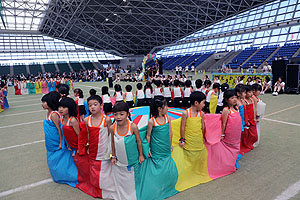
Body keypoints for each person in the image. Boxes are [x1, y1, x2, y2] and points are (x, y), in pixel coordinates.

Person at [141, 97, 178, 200]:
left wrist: (170, 144)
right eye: (165, 106)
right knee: (158, 167)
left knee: (167, 166)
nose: (167, 107)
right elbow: (148, 135)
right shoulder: (152, 121)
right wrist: (147, 148)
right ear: (159, 109)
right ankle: (158, 187)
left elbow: (170, 132)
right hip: (156, 149)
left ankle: (167, 185)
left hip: (166, 147)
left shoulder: (168, 118)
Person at [41, 91, 78, 187]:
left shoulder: (54, 114)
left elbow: (59, 129)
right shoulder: (49, 113)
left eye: (44, 102)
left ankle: (65, 175)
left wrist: (61, 142)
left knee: (60, 157)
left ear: (49, 102)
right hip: (50, 140)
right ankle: (58, 173)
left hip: (56, 140)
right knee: (53, 158)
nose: (42, 104)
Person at [110, 102, 145, 200]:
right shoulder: (112, 128)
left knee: (133, 178)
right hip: (120, 160)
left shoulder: (133, 127)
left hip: (133, 159)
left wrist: (141, 155)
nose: (118, 117)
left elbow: (138, 141)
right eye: (115, 114)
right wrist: (113, 156)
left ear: (128, 114)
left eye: (121, 114)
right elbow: (112, 143)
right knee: (123, 179)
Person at [84, 95, 116, 198]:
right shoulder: (86, 120)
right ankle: (97, 188)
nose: (92, 107)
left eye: (95, 104)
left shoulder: (106, 120)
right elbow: (88, 134)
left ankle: (107, 190)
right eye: (90, 105)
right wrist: (88, 145)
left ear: (101, 105)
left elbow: (111, 136)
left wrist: (112, 152)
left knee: (105, 171)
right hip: (93, 150)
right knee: (95, 172)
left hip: (104, 150)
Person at [240, 85, 258, 154]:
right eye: (249, 92)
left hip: (252, 119)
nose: (251, 94)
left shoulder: (251, 99)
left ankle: (249, 144)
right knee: (247, 134)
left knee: (254, 135)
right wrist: (247, 121)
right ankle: (246, 145)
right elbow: (245, 112)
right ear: (245, 93)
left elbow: (253, 109)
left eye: (252, 92)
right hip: (248, 120)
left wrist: (254, 117)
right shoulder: (244, 101)